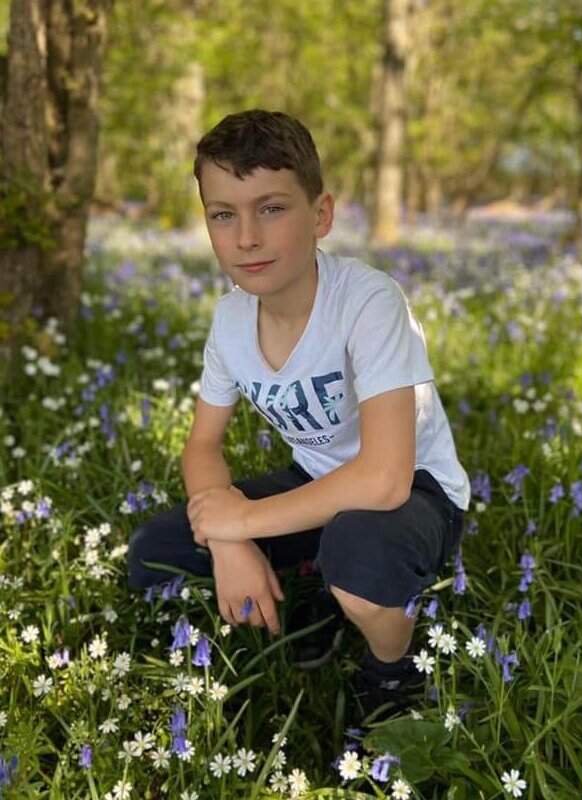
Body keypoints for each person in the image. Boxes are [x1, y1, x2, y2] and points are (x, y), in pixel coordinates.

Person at [127, 108, 470, 719]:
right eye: (223, 214)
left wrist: (242, 520)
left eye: (272, 208)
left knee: (359, 554)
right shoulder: (230, 320)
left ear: (321, 215)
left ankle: (392, 675)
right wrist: (228, 542)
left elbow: (385, 480)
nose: (246, 237)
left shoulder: (367, 301)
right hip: (314, 483)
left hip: (417, 492)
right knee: (153, 551)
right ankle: (319, 580)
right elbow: (202, 445)